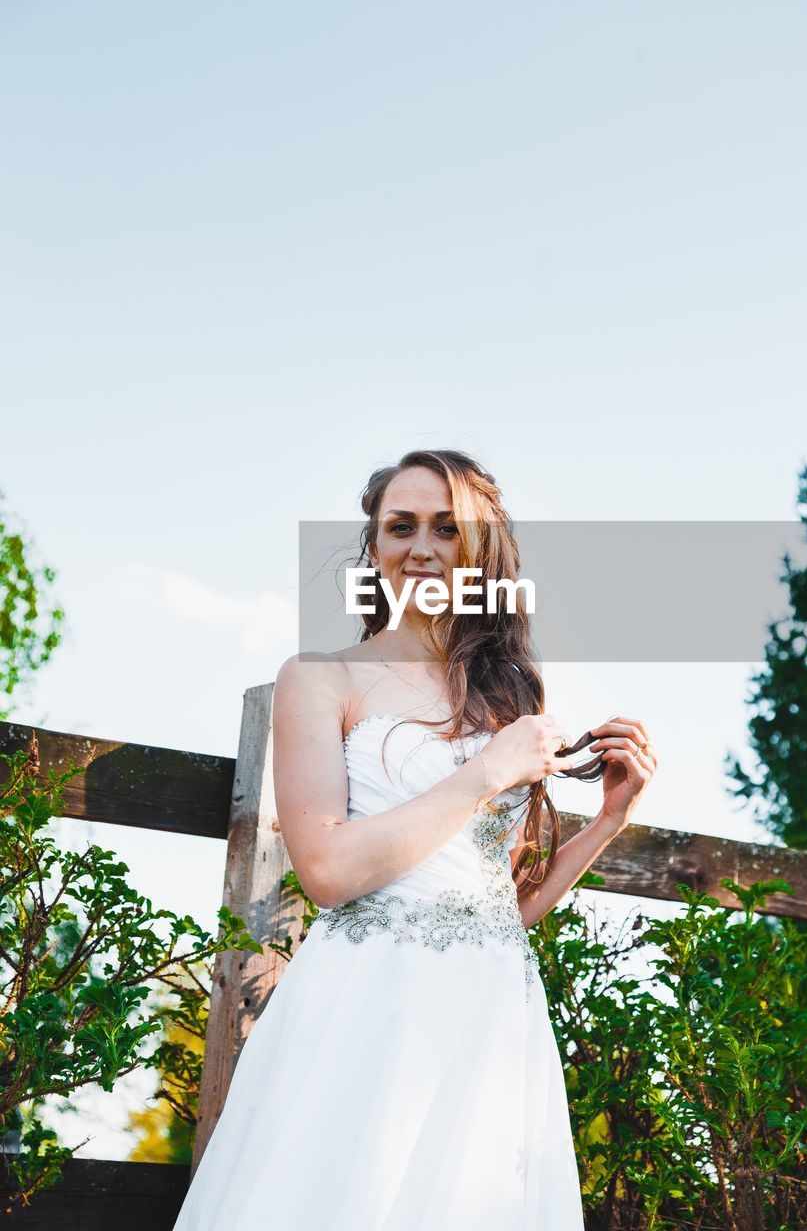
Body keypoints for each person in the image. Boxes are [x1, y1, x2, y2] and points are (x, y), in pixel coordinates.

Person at [172, 448, 657, 1230]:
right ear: (374, 547)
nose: (422, 547)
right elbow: (327, 870)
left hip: (490, 1015)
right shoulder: (321, 676)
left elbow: (498, 906)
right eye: (400, 527)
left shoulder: (510, 692)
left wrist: (607, 823)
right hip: (368, 1003)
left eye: (446, 527)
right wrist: (485, 773)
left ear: (480, 549)